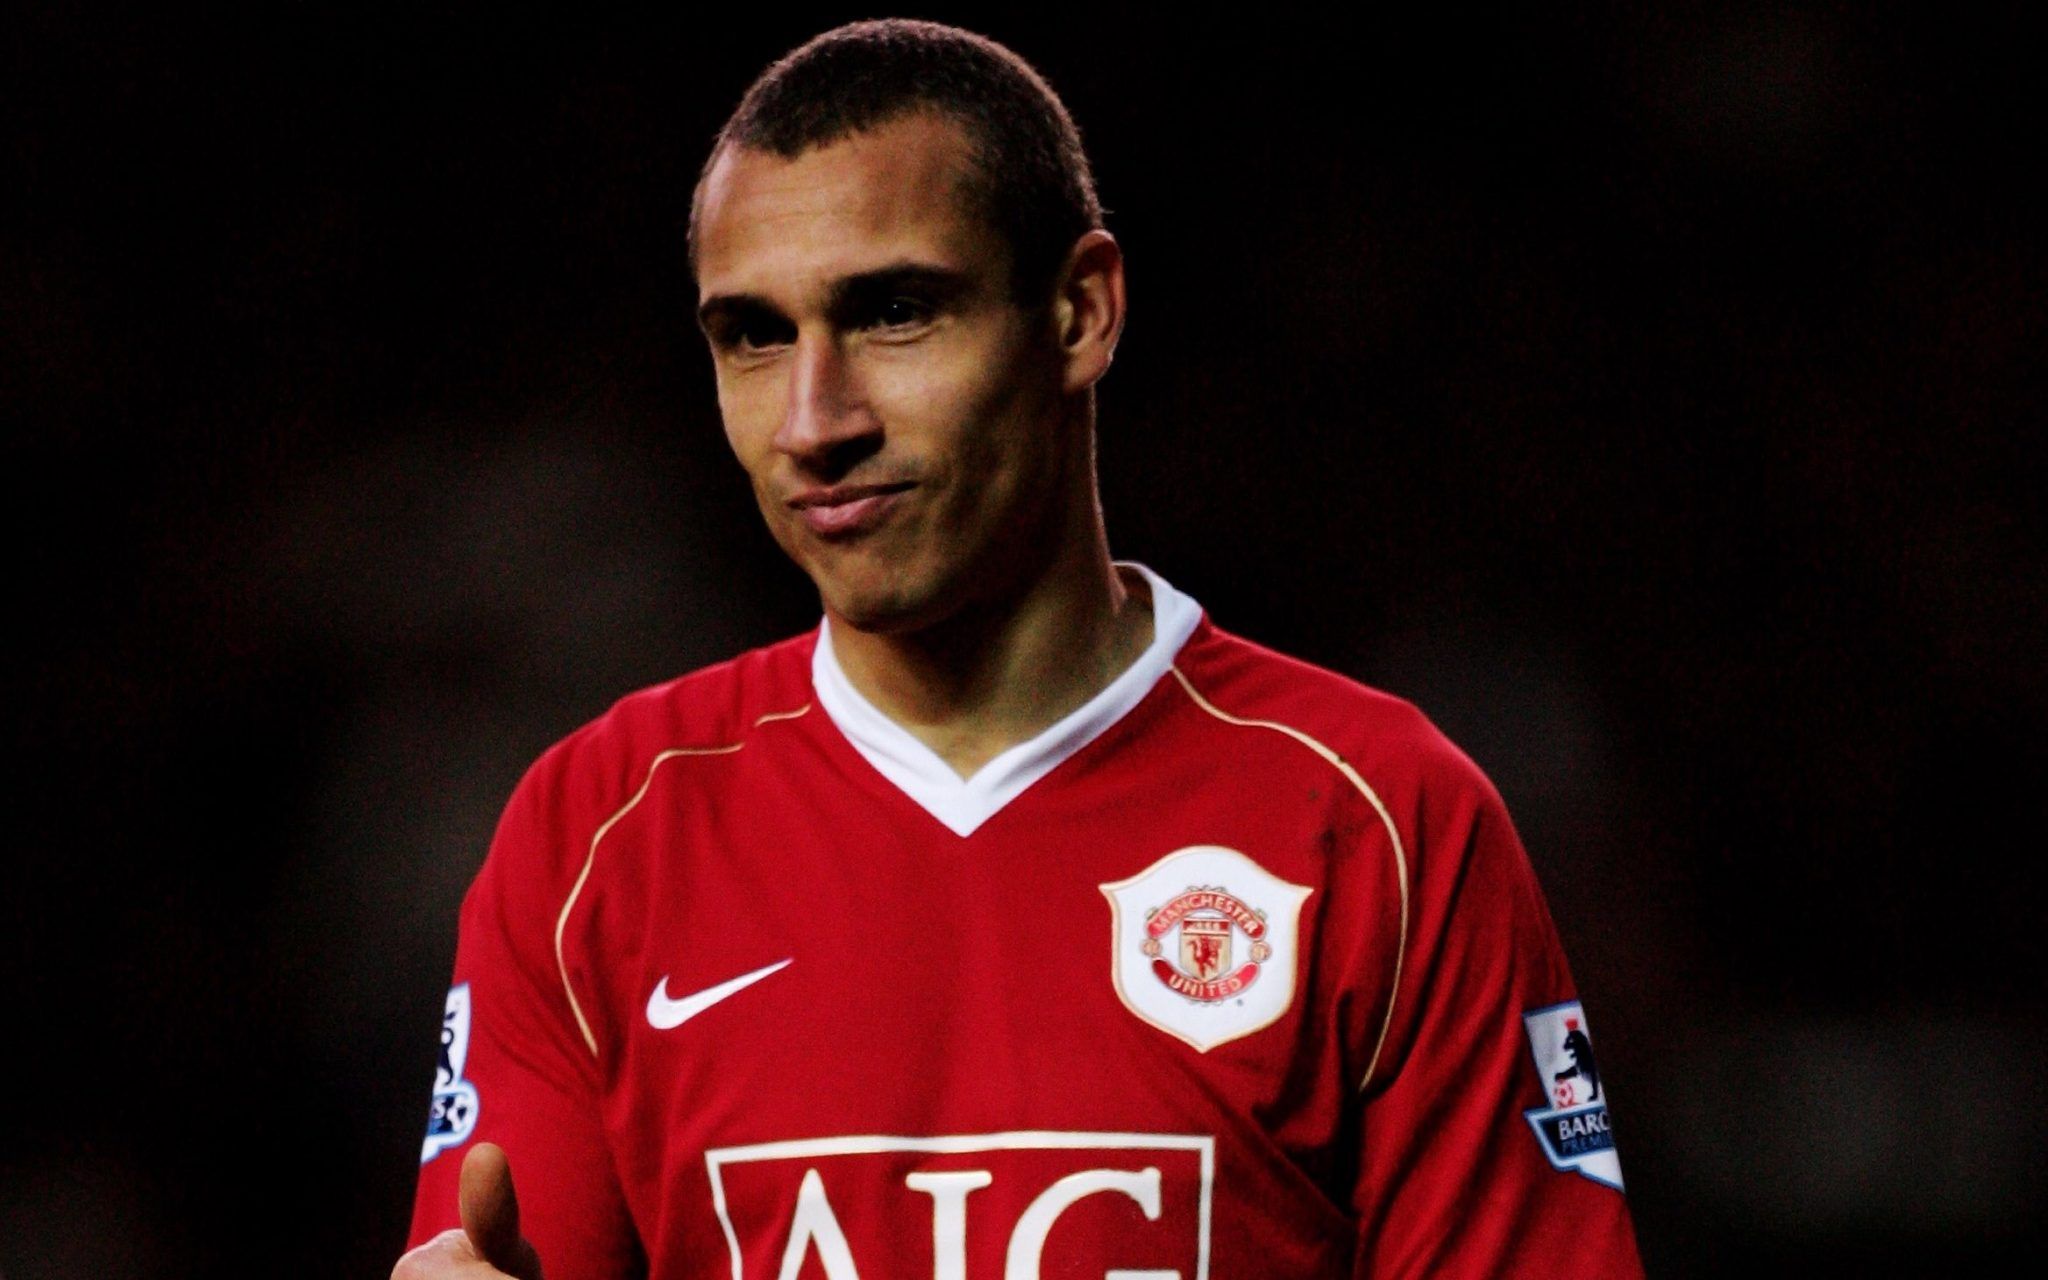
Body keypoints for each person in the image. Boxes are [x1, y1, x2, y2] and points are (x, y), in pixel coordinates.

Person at [394, 18, 1645, 1279]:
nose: (813, 422)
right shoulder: (594, 835)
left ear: (1079, 313)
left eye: (893, 312)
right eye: (754, 336)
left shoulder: (1380, 819)